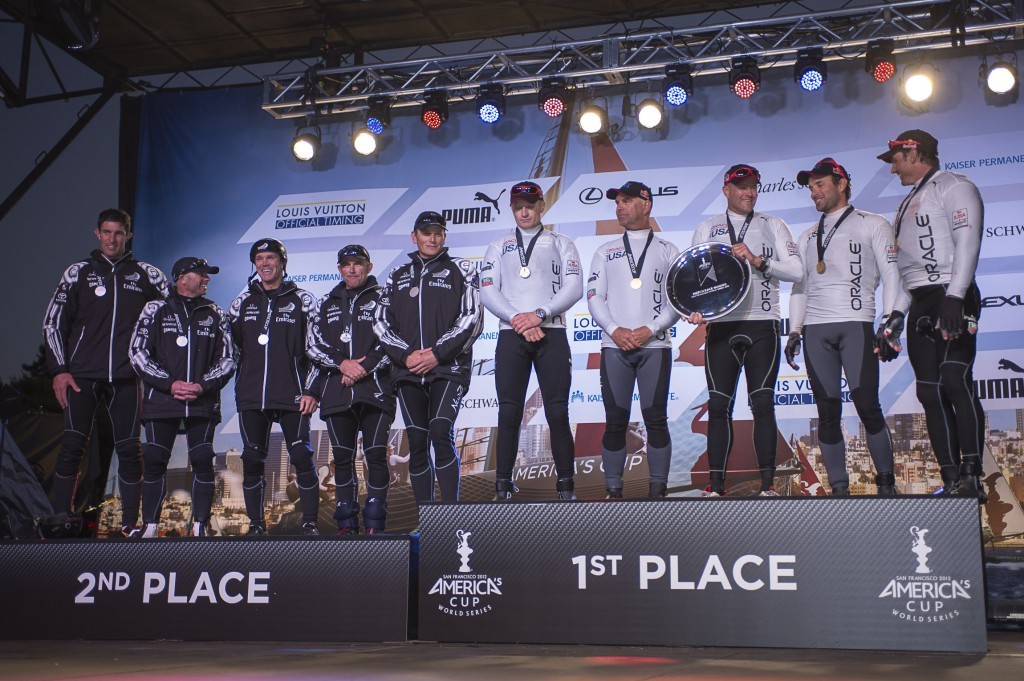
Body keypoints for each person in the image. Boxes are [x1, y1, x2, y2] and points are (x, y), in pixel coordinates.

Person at [42, 208, 169, 537]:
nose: (112, 239)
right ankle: (60, 518)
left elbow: (174, 320)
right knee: (72, 446)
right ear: (96, 234)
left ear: (128, 235)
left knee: (129, 449)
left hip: (127, 377)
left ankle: (130, 525)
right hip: (81, 376)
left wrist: (154, 367)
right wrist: (59, 370)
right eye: (107, 232)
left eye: (119, 233)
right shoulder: (77, 273)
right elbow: (54, 323)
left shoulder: (147, 275)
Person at [876, 130, 987, 501]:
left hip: (952, 294)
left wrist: (955, 296)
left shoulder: (954, 185)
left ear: (914, 152)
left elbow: (968, 240)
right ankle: (952, 478)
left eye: (895, 159)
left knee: (955, 381)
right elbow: (907, 269)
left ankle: (973, 475)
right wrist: (894, 315)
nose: (892, 169)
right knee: (929, 393)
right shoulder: (905, 203)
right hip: (920, 303)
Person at [786, 158, 900, 496]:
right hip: (816, 331)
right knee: (827, 411)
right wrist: (794, 330)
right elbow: (799, 287)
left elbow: (892, 273)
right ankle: (839, 489)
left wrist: (891, 318)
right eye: (810, 187)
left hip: (857, 324)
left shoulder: (872, 223)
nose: (814, 192)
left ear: (841, 183)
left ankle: (886, 483)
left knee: (867, 405)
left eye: (820, 185)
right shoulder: (807, 236)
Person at [688, 164, 804, 497]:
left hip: (762, 324)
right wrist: (694, 309)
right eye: (741, 187)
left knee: (763, 404)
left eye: (754, 186)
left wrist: (758, 261)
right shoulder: (707, 228)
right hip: (722, 327)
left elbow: (796, 272)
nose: (749, 192)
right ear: (726, 190)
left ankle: (768, 486)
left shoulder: (773, 225)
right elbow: (693, 282)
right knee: (719, 406)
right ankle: (716, 487)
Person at [480, 181, 584, 501]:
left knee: (556, 412)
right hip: (513, 335)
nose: (524, 211)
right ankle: (502, 484)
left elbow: (575, 287)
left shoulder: (561, 242)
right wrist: (518, 320)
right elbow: (487, 290)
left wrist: (539, 314)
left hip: (551, 332)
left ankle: (566, 485)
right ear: (512, 209)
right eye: (517, 206)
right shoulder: (498, 245)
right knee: (509, 413)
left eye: (530, 205)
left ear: (542, 206)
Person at [373, 211, 482, 504]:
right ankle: (426, 515)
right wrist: (407, 356)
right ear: (415, 237)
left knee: (440, 430)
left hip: (448, 368)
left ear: (444, 236)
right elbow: (381, 322)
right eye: (426, 233)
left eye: (437, 233)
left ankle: (450, 513)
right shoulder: (397, 275)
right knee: (418, 441)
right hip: (407, 372)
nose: (432, 238)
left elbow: (472, 317)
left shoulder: (462, 269)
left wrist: (435, 354)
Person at [587, 181, 681, 498]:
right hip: (615, 347)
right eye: (617, 202)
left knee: (655, 419)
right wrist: (615, 330)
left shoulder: (669, 251)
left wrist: (650, 329)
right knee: (615, 420)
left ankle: (658, 491)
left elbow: (677, 300)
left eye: (626, 201)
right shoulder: (605, 251)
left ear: (646, 204)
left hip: (654, 346)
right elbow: (594, 297)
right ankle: (613, 492)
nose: (620, 207)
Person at [129, 257, 234, 537]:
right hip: (162, 399)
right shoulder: (155, 309)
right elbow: (137, 353)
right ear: (183, 277)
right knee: (154, 459)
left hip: (202, 401)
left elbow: (227, 359)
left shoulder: (215, 312)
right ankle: (150, 526)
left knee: (202, 459)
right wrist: (170, 384)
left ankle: (200, 526)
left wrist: (202, 386)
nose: (207, 280)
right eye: (202, 274)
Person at [227, 238, 320, 535]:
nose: (265, 263)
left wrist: (312, 390)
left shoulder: (303, 300)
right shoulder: (241, 303)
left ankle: (309, 523)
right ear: (254, 264)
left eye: (270, 258)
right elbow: (233, 351)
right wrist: (239, 386)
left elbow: (316, 350)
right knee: (252, 458)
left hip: (292, 392)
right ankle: (255, 525)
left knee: (301, 455)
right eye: (259, 258)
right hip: (252, 395)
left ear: (282, 262)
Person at [307, 245, 395, 535]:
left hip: (375, 388)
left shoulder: (385, 296)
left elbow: (394, 338)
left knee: (375, 455)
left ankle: (375, 523)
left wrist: (363, 367)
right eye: (346, 264)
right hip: (337, 390)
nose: (352, 269)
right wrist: (342, 364)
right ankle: (346, 524)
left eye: (358, 264)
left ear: (369, 267)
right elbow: (313, 345)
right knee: (342, 458)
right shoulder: (325, 303)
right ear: (339, 269)